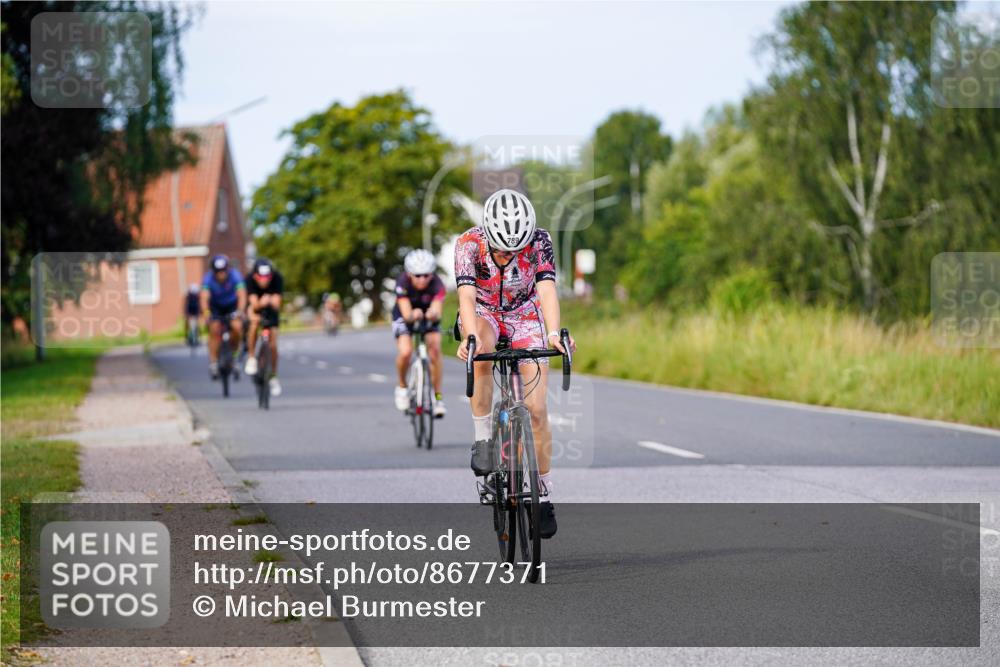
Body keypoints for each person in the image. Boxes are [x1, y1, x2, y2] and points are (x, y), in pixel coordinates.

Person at [455, 188, 575, 539]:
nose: (510, 253)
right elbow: (466, 296)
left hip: (525, 314)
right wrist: (468, 338)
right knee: (481, 348)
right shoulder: (468, 244)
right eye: (503, 248)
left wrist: (554, 334)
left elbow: (547, 289)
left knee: (536, 410)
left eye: (516, 248)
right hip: (485, 313)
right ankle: (482, 438)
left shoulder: (540, 241)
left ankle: (544, 493)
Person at [392, 249, 447, 418]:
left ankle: (437, 398)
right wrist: (412, 315)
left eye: (426, 275)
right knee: (406, 351)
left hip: (427, 315)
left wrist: (432, 314)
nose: (422, 279)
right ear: (409, 274)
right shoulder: (402, 282)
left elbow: (437, 309)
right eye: (417, 275)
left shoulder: (438, 284)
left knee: (435, 351)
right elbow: (406, 312)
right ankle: (402, 387)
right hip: (404, 315)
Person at [243, 258, 284, 397]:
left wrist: (272, 302)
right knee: (254, 324)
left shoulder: (277, 278)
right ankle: (251, 357)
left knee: (273, 342)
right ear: (255, 276)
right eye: (261, 277)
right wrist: (262, 303)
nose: (264, 280)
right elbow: (253, 304)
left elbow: (277, 303)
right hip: (256, 307)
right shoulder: (249, 280)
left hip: (271, 310)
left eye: (267, 277)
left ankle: (273, 375)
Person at [200, 255, 246, 378]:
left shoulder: (235, 275)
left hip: (231, 305)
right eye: (218, 272)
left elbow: (242, 294)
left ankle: (235, 357)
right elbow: (204, 297)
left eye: (223, 271)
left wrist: (240, 311)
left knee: (237, 327)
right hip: (215, 306)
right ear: (213, 271)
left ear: (228, 269)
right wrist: (206, 312)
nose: (221, 274)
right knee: (214, 329)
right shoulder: (208, 278)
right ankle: (214, 363)